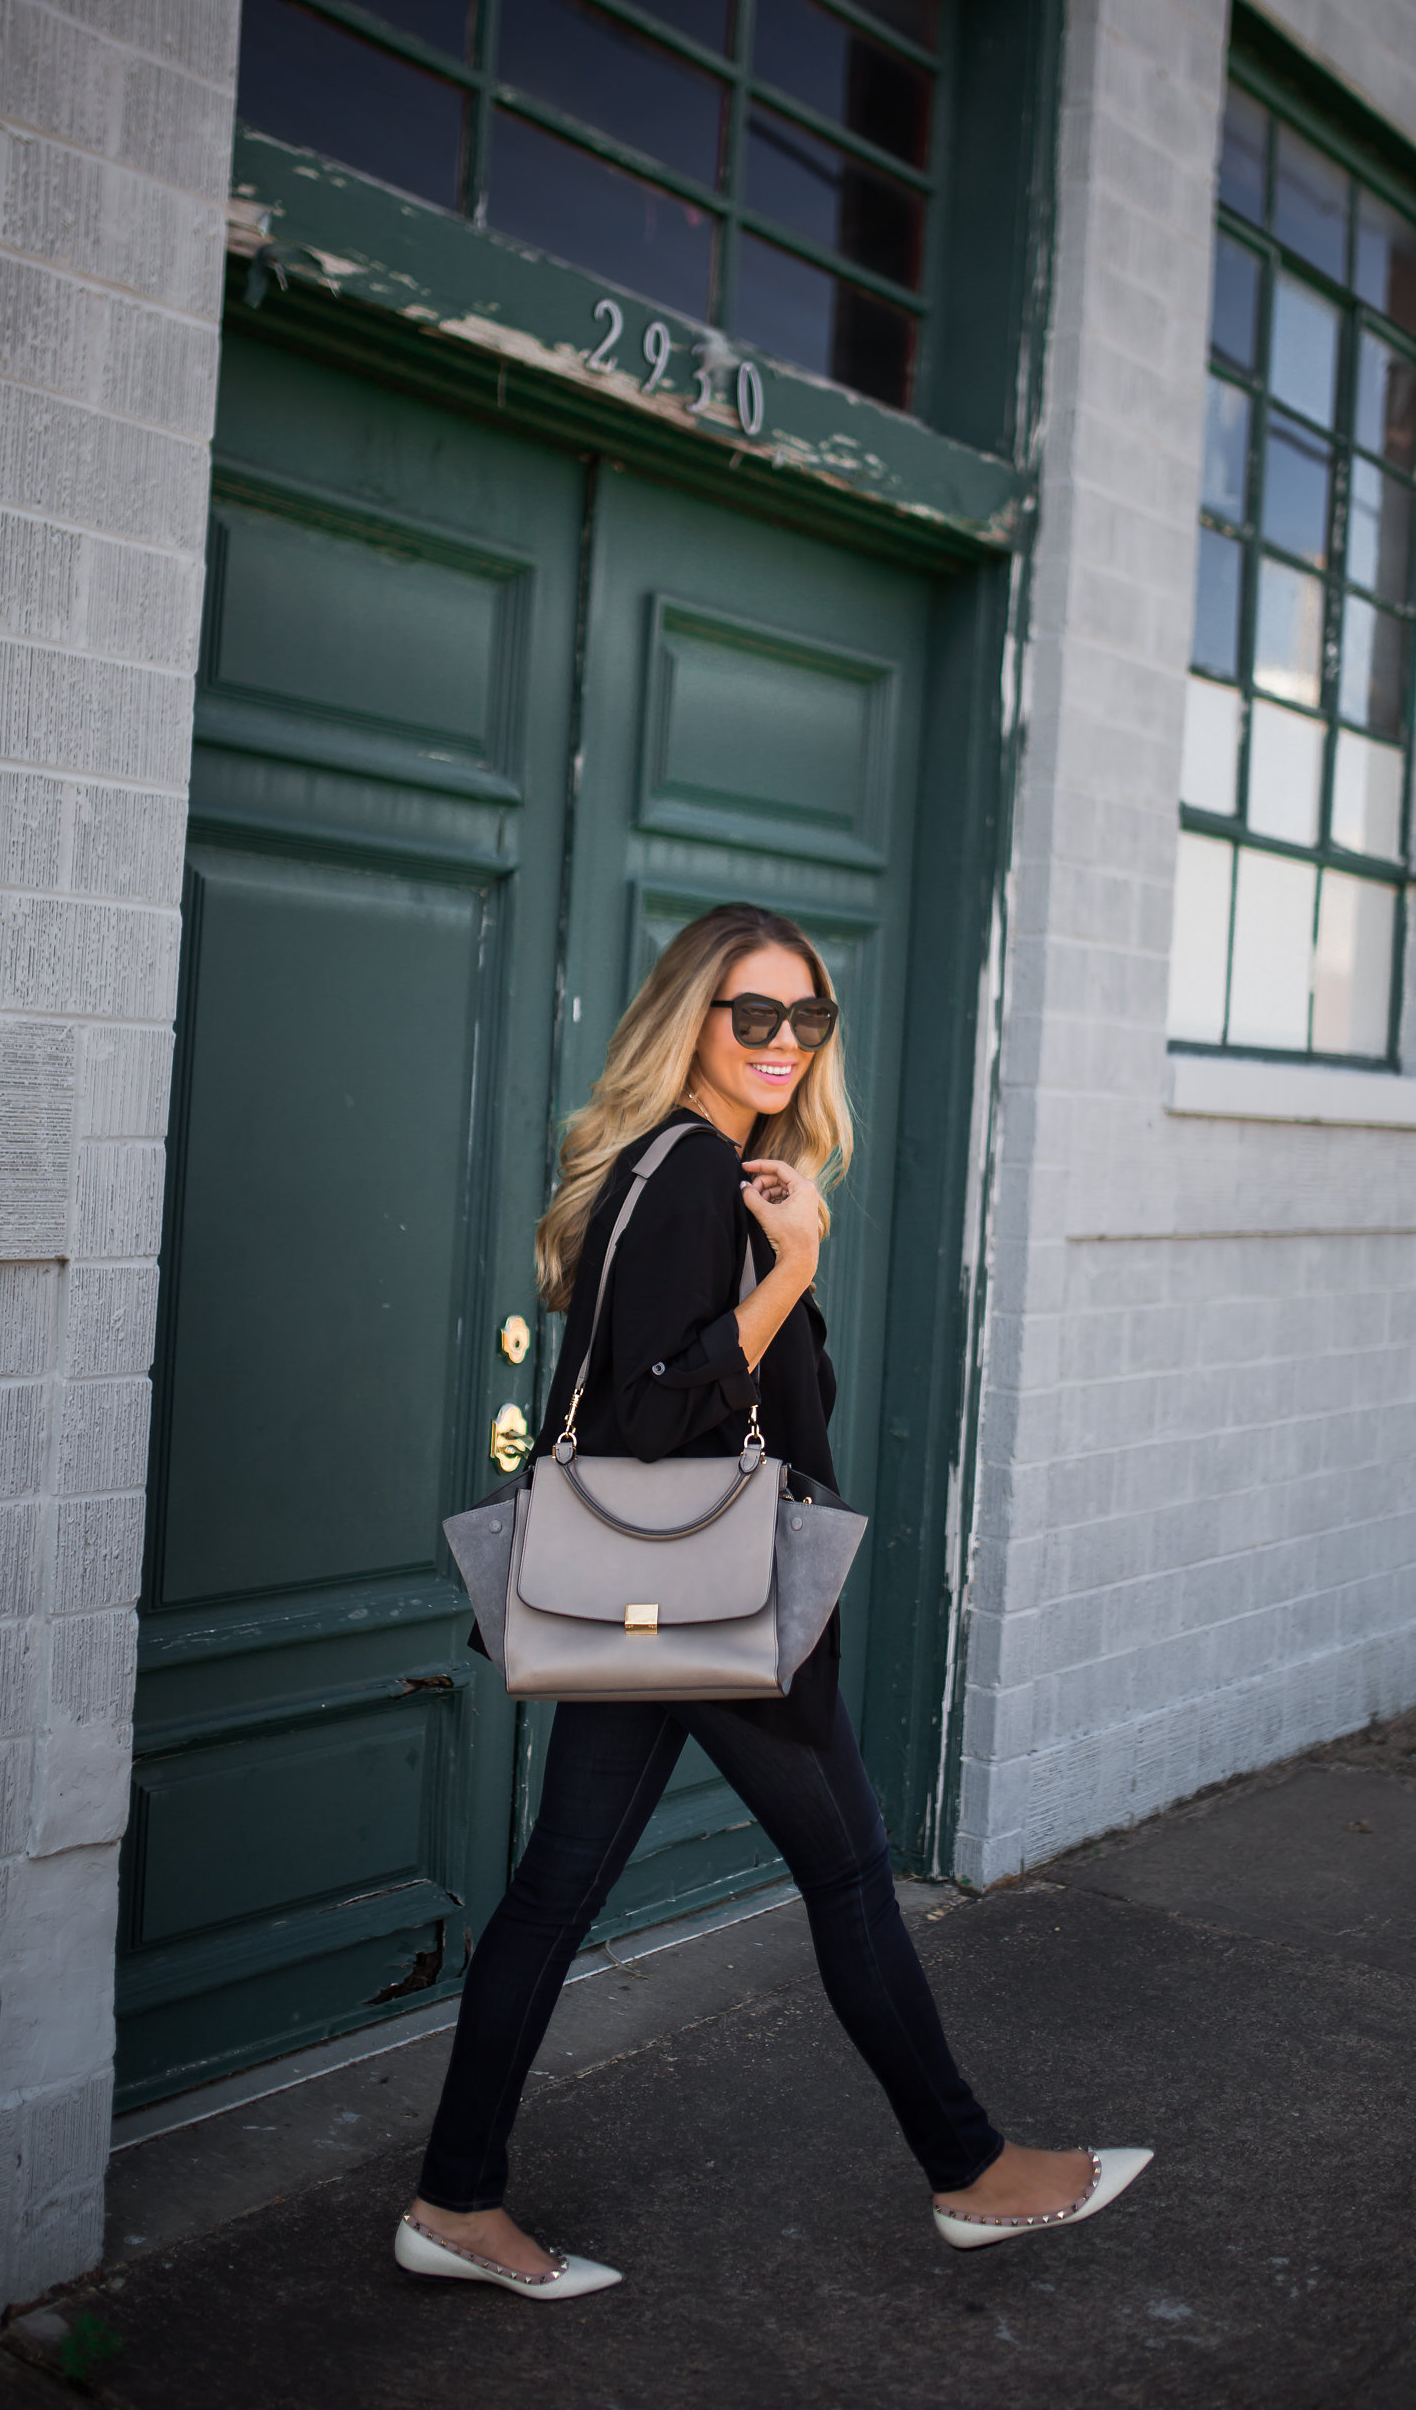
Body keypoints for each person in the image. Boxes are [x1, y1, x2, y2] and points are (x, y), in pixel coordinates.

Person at [394, 903, 1151, 2299]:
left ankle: (455, 2197)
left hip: (662, 1601)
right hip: (717, 1609)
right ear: (692, 1016)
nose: (786, 1042)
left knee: (556, 1892)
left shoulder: (694, 1167)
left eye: (809, 1018)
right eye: (756, 1014)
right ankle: (970, 2168)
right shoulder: (691, 1175)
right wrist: (795, 1268)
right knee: (854, 1873)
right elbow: (658, 1410)